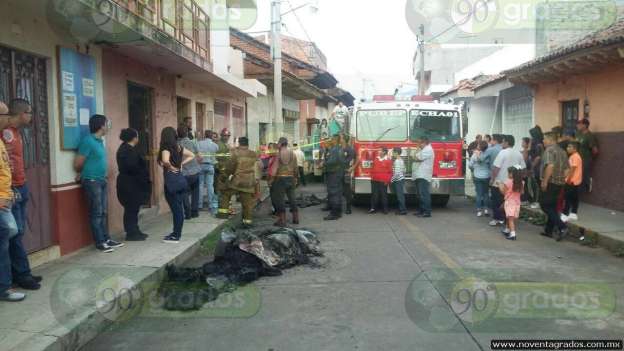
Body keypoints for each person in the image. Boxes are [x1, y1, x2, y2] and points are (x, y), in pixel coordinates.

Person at [3, 99, 40, 289]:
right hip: (12, 189)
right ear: (21, 113)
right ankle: (23, 275)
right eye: (30, 112)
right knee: (15, 233)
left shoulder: (17, 133)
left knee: (19, 232)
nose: (32, 116)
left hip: (21, 185)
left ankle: (20, 272)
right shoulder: (5, 133)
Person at [75, 115, 124, 253]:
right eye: (106, 124)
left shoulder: (99, 141)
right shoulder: (88, 141)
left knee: (103, 212)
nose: (108, 126)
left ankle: (106, 239)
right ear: (101, 126)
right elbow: (78, 163)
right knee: (96, 213)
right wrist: (82, 172)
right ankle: (100, 242)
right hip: (91, 181)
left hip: (101, 180)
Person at [0, 101, 25, 302]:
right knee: (9, 234)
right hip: (1, 201)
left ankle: (6, 284)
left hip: (7, 195)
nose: (8, 118)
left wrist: (10, 190)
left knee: (11, 233)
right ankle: (4, 287)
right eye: (5, 114)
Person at [158, 127, 194, 243]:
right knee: (179, 209)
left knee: (176, 210)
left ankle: (175, 236)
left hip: (171, 183)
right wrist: (180, 165)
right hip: (180, 181)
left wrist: (170, 167)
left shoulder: (165, 148)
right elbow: (192, 155)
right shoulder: (178, 147)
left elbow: (165, 160)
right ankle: (176, 233)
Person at [116, 128, 151, 241]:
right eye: (137, 136)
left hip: (131, 182)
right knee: (131, 208)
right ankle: (131, 233)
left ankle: (135, 230)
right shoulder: (127, 150)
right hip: (129, 183)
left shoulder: (127, 149)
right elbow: (133, 167)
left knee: (133, 208)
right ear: (134, 138)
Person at [217, 137, 259, 228]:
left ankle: (223, 213)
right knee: (247, 203)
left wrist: (224, 176)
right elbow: (258, 167)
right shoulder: (254, 154)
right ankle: (247, 222)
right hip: (249, 182)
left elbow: (229, 167)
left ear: (239, 143)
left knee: (225, 193)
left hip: (237, 181)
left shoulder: (235, 153)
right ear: (247, 144)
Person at [540, 132, 569, 241]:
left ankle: (562, 227)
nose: (543, 141)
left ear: (551, 140)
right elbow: (567, 170)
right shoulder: (563, 151)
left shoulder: (549, 150)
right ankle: (548, 230)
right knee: (551, 206)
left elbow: (550, 166)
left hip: (551, 182)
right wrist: (562, 179)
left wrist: (545, 181)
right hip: (559, 183)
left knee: (544, 205)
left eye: (544, 139)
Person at [268, 137, 299, 226]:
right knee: (292, 198)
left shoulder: (278, 154)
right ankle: (296, 218)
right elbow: (296, 168)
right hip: (291, 178)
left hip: (280, 179)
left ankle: (282, 220)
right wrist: (296, 178)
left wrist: (271, 180)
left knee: (280, 199)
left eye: (278, 144)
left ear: (280, 144)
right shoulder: (293, 154)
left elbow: (274, 169)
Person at [177, 126, 201, 220]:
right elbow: (200, 157)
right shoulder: (193, 143)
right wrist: (197, 164)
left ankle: (188, 213)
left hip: (183, 173)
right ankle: (195, 212)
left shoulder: (176, 145)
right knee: (195, 192)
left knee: (185, 193)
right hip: (195, 172)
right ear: (187, 133)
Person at [481, 134, 503, 226]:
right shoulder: (504, 150)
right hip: (507, 177)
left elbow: (482, 159)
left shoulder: (491, 149)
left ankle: (496, 218)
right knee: (504, 199)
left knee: (495, 199)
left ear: (494, 140)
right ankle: (503, 218)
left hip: (496, 177)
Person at [499, 166, 524, 241]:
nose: (508, 174)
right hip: (517, 203)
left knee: (510, 219)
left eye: (509, 173)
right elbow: (522, 192)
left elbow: (503, 192)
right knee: (510, 217)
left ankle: (513, 234)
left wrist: (500, 185)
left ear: (512, 174)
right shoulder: (522, 182)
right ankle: (507, 229)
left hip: (509, 202)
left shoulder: (508, 182)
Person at [412, 136, 434, 218]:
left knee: (424, 194)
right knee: (420, 194)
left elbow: (416, 157)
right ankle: (421, 210)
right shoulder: (424, 149)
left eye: (419, 143)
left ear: (424, 142)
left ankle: (427, 211)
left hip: (423, 175)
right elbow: (415, 157)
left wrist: (416, 151)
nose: (418, 145)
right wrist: (417, 153)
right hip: (419, 174)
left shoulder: (428, 150)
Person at [323, 135, 345, 221]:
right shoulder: (336, 148)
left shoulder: (335, 149)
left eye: (331, 139)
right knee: (337, 192)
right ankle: (337, 212)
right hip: (337, 173)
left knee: (334, 193)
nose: (330, 140)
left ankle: (334, 213)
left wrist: (323, 164)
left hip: (334, 174)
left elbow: (332, 161)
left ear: (335, 140)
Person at [197, 130, 218, 215]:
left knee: (200, 185)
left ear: (204, 135)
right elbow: (216, 152)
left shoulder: (199, 143)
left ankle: (200, 205)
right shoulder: (215, 145)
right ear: (211, 136)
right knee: (210, 186)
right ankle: (210, 205)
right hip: (210, 166)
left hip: (201, 166)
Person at [562, 141, 582, 222]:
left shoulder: (576, 157)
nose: (567, 148)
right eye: (567, 147)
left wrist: (569, 179)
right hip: (573, 180)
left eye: (570, 147)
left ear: (575, 148)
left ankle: (565, 214)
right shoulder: (572, 156)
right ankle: (573, 213)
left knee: (568, 197)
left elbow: (572, 169)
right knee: (574, 197)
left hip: (572, 181)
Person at [469, 141, 491, 217]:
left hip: (477, 176)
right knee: (486, 193)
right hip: (487, 176)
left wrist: (474, 169)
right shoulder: (488, 155)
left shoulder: (475, 155)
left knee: (479, 194)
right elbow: (490, 165)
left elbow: (470, 165)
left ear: (479, 146)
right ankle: (486, 210)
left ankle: (479, 211)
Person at [576, 118, 599, 193]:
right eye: (578, 123)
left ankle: (588, 186)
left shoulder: (590, 136)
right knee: (578, 175)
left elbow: (595, 150)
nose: (578, 125)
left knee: (585, 175)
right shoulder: (578, 134)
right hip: (577, 159)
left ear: (585, 125)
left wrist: (589, 158)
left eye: (580, 124)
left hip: (585, 159)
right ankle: (579, 191)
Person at [369, 148, 391, 214]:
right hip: (374, 180)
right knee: (374, 195)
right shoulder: (376, 159)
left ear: (384, 152)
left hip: (383, 181)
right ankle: (373, 208)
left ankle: (385, 209)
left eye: (380, 150)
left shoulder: (388, 160)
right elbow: (372, 168)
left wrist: (387, 181)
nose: (379, 151)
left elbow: (390, 172)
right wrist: (371, 177)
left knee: (383, 195)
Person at [215, 128, 232, 213]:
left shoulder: (226, 145)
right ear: (221, 136)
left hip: (225, 170)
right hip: (221, 170)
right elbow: (216, 158)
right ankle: (221, 206)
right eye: (225, 135)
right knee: (221, 189)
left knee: (225, 188)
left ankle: (224, 205)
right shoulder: (219, 145)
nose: (226, 137)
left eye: (228, 136)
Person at [528, 126, 545, 208]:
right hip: (536, 166)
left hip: (537, 167)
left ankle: (538, 202)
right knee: (535, 185)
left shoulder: (538, 144)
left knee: (536, 185)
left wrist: (532, 166)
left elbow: (538, 157)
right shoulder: (537, 142)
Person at [342, 135, 356, 215]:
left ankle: (348, 208)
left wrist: (352, 167)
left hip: (346, 172)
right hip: (338, 172)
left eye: (341, 138)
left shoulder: (350, 149)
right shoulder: (340, 148)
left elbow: (356, 158)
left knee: (347, 191)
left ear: (344, 140)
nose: (340, 139)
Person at [391, 147, 407, 215]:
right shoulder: (401, 160)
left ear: (396, 153)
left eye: (393, 152)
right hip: (401, 179)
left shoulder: (397, 161)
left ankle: (402, 210)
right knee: (401, 195)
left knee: (399, 196)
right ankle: (401, 209)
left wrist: (392, 179)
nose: (392, 154)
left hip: (398, 180)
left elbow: (397, 173)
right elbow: (404, 170)